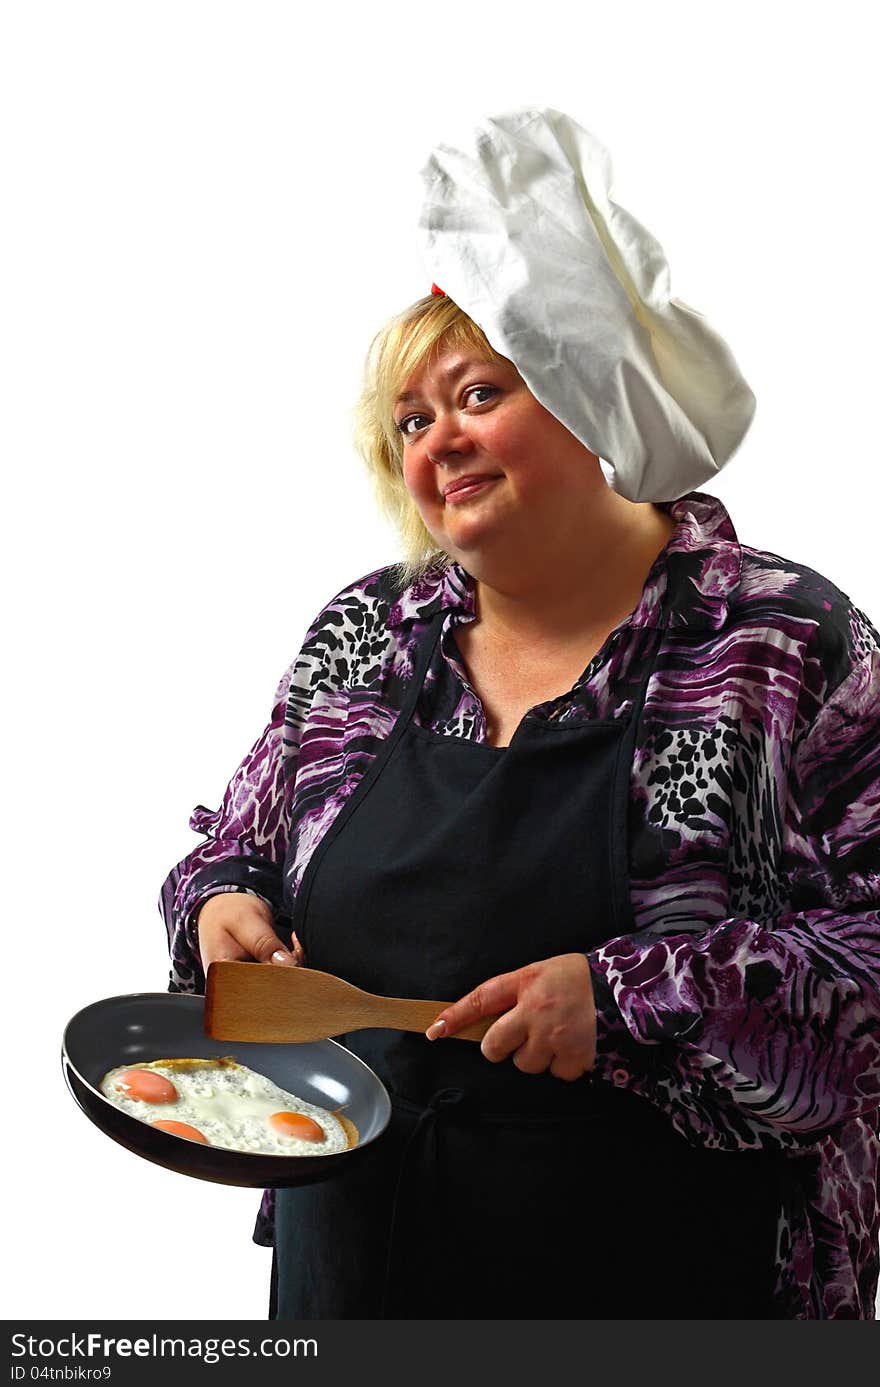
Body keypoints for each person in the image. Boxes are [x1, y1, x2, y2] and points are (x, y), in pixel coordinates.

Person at [160, 110, 880, 1319]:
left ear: (584, 390)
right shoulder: (365, 638)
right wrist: (219, 908)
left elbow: (867, 959)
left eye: (475, 393)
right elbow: (234, 848)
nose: (436, 441)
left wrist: (623, 1000)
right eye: (409, 421)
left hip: (676, 1292)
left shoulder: (777, 642)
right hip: (359, 1280)